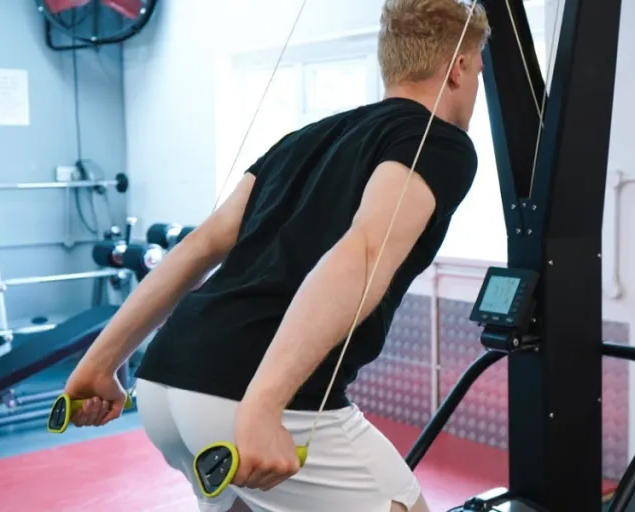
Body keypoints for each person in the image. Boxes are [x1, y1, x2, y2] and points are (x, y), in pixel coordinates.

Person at [60, 1, 490, 511]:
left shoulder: (301, 140)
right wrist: (262, 407)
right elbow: (366, 250)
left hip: (167, 384)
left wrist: (99, 363)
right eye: (480, 67)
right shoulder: (439, 144)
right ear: (459, 67)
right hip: (247, 396)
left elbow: (200, 245)